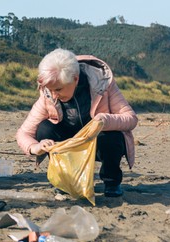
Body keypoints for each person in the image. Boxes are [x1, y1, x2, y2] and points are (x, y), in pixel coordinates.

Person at [15, 48, 138, 197]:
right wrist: (35, 147)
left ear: (75, 79)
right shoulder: (48, 95)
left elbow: (131, 119)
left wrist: (105, 120)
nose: (54, 95)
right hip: (68, 145)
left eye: (59, 89)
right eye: (50, 90)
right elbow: (23, 133)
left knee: (112, 135)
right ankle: (66, 180)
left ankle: (112, 182)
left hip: (97, 144)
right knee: (45, 129)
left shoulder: (103, 84)